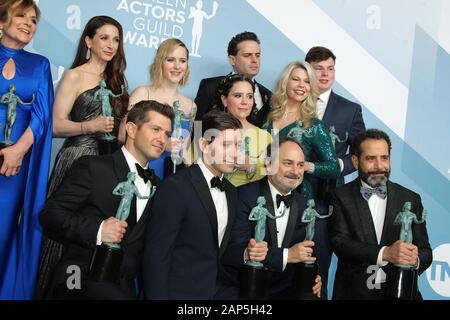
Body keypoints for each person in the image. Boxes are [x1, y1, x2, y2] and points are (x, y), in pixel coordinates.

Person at [39, 100, 174, 300]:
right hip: (77, 278)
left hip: (123, 286)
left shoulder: (160, 187)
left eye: (167, 134)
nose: (162, 139)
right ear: (131, 129)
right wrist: (99, 230)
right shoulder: (94, 168)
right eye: (155, 129)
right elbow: (50, 215)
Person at [36, 15, 129, 300]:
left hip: (109, 164)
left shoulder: (118, 80)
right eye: (104, 37)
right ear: (88, 41)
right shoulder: (75, 75)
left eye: (116, 39)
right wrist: (89, 126)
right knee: (63, 233)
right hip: (77, 157)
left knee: (92, 235)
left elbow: (120, 132)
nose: (111, 45)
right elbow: (53, 125)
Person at [142, 110, 242, 299]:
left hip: (217, 290)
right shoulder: (176, 187)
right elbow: (157, 255)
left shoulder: (231, 192)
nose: (235, 153)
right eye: (227, 145)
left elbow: (219, 249)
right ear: (204, 144)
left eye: (238, 145)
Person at [264, 60, 340, 298]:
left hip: (299, 202)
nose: (301, 85)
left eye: (307, 81)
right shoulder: (268, 117)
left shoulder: (313, 125)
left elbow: (333, 167)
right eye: (296, 79)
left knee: (303, 276)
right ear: (285, 81)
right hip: (265, 197)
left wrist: (307, 165)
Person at [328, 129, 432, 299]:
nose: (379, 166)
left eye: (384, 158)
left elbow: (425, 249)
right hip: (354, 294)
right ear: (355, 161)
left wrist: (415, 259)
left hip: (402, 292)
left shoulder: (410, 198)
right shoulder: (339, 196)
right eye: (370, 158)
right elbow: (340, 243)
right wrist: (385, 253)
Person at [0, 0, 53, 300]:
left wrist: (18, 151)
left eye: (34, 20)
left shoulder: (39, 64)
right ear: (3, 18)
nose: (28, 24)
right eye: (22, 16)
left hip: (12, 168)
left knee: (3, 232)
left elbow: (42, 115)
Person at [223, 137, 321, 299]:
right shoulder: (242, 196)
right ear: (269, 164)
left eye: (301, 165)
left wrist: (313, 277)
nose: (296, 172)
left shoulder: (304, 204)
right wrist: (286, 255)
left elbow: (308, 251)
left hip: (287, 293)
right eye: (288, 163)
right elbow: (231, 249)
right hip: (243, 291)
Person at [129, 38, 196, 179]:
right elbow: (124, 135)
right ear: (160, 62)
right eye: (171, 60)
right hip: (142, 168)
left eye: (183, 61)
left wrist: (188, 157)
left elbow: (186, 146)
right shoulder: (142, 93)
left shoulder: (191, 106)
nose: (177, 66)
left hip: (174, 175)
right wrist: (164, 144)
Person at [305, 46, 365, 187]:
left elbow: (362, 152)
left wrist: (339, 166)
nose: (325, 74)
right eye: (319, 68)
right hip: (292, 189)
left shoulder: (351, 110)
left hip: (330, 190)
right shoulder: (292, 103)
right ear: (307, 71)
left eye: (330, 68)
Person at [195, 31, 272, 127]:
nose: (254, 60)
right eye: (247, 55)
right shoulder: (210, 86)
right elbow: (196, 125)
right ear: (232, 60)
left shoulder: (268, 96)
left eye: (257, 55)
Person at [215, 74, 272, 186]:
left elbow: (274, 174)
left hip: (250, 201)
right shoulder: (210, 130)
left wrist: (251, 166)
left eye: (249, 96)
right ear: (224, 100)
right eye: (238, 96)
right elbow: (195, 167)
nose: (245, 102)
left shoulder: (265, 137)